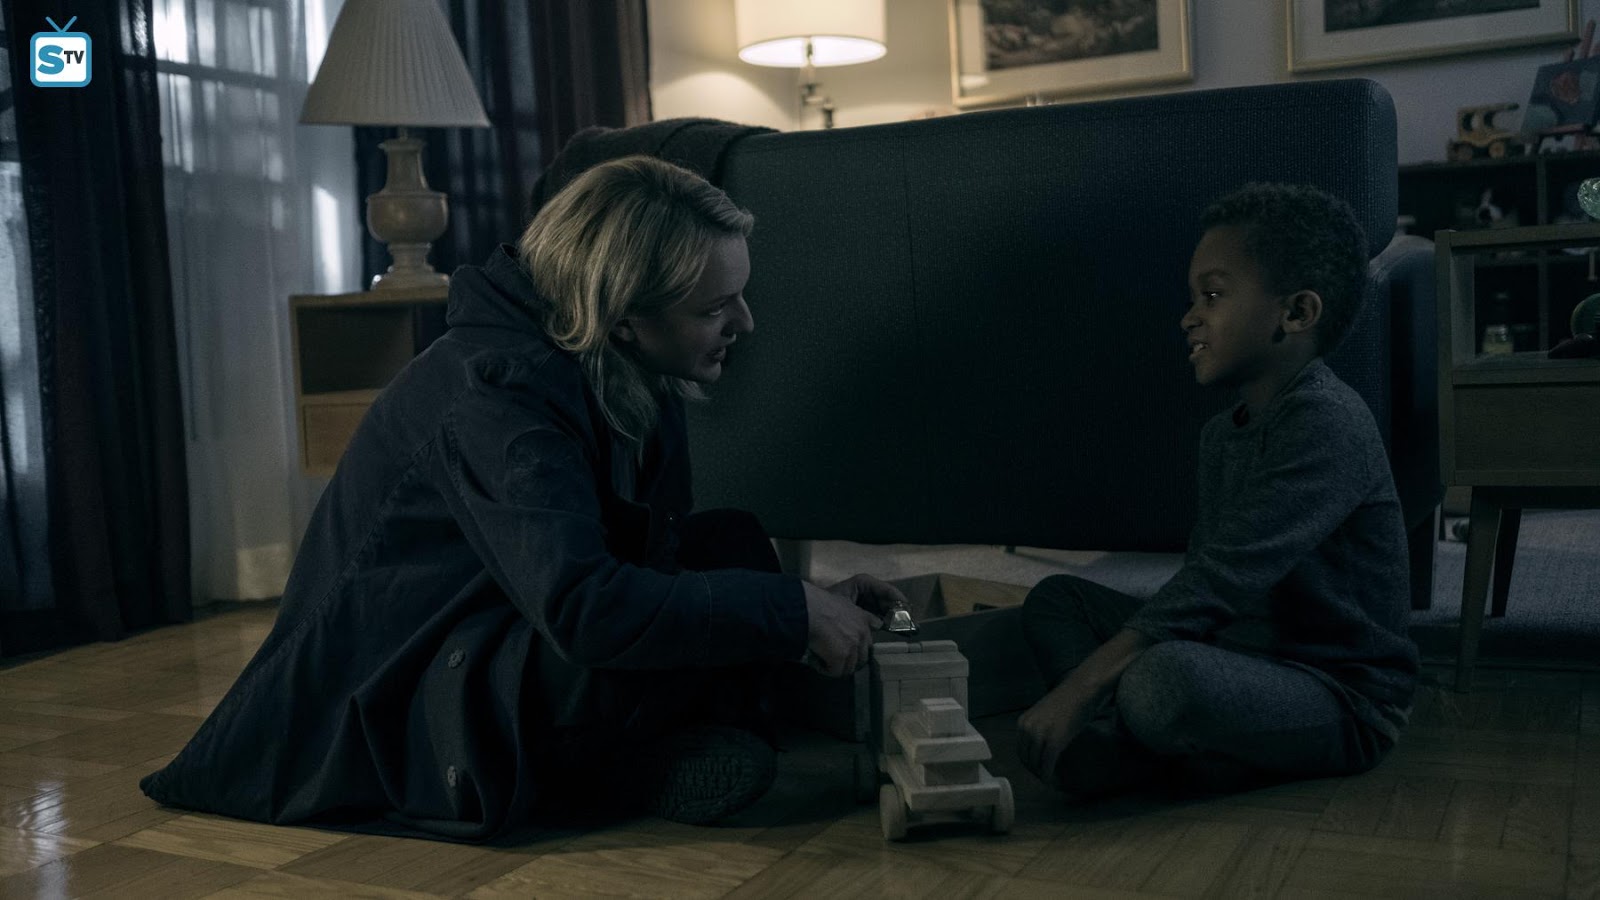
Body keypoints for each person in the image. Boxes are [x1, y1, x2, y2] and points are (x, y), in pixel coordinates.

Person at [141, 155, 903, 840]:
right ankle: (634, 764)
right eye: (713, 308)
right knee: (647, 627)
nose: (745, 322)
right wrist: (788, 613)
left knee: (732, 544)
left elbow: (655, 558)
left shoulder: (622, 361)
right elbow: (585, 609)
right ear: (625, 319)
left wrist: (805, 603)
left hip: (502, 624)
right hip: (403, 705)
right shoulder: (500, 394)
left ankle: (668, 747)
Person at [1016, 183, 1419, 799]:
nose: (1189, 317)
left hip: (1338, 693)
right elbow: (1205, 584)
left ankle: (1128, 740)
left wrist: (1082, 686)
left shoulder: (1328, 422)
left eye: (1212, 295)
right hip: (1239, 652)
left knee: (1162, 682)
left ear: (1296, 313)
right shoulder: (1221, 435)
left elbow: (1224, 577)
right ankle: (1132, 743)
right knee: (1057, 600)